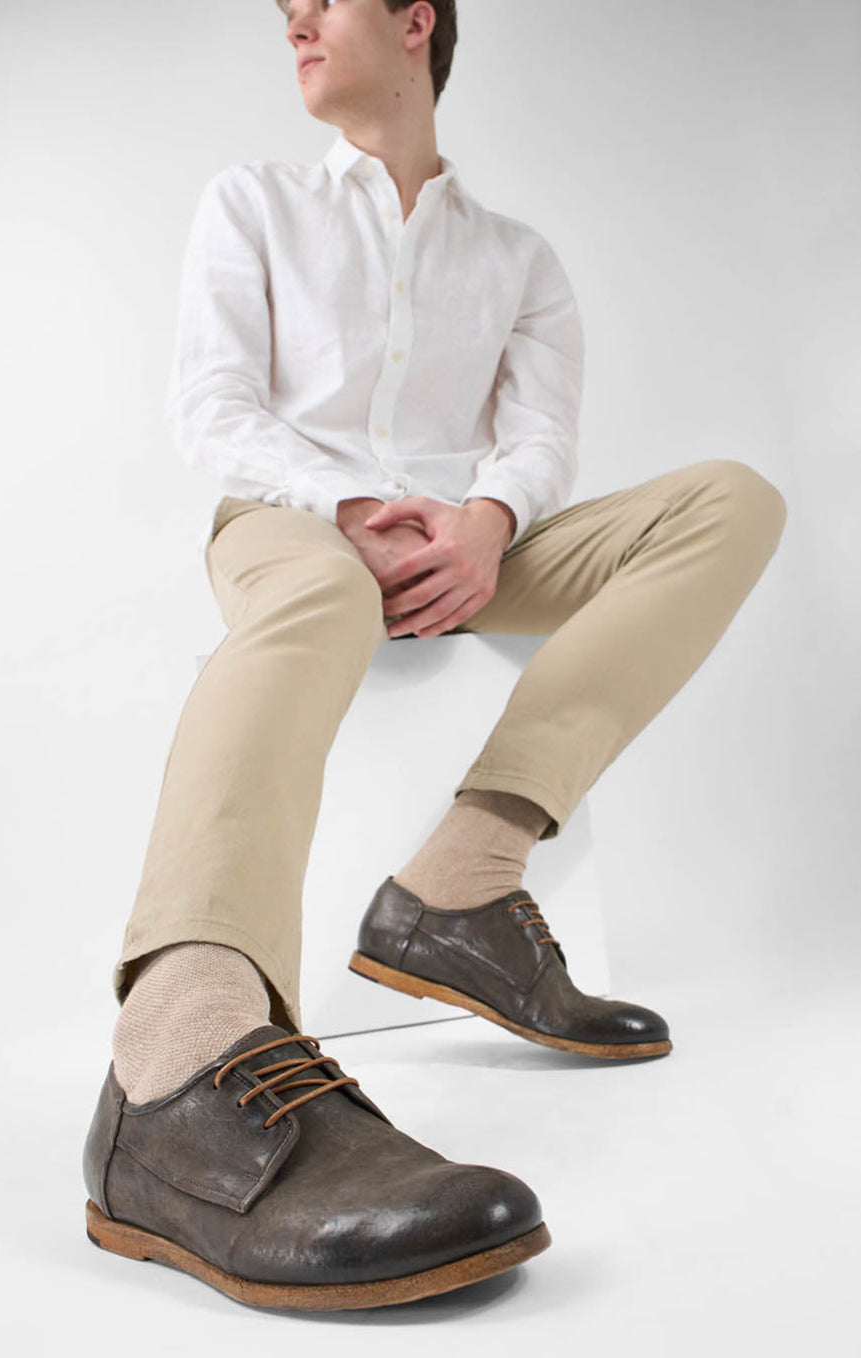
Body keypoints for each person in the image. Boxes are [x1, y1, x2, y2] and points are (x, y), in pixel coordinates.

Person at [82, 0, 788, 1312]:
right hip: (295, 525)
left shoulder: (516, 256)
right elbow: (213, 403)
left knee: (731, 500)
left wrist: (487, 523)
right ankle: (175, 1044)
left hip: (463, 550)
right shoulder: (255, 202)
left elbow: (540, 436)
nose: (294, 18)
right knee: (318, 596)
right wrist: (346, 501)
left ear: (416, 21)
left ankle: (462, 877)